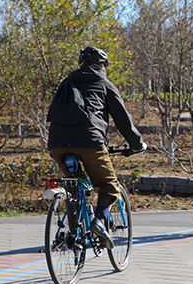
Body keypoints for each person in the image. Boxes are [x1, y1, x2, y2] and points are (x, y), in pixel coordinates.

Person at [47, 46, 146, 246]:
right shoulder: (104, 84)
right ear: (102, 65)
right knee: (110, 185)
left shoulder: (66, 83)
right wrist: (137, 144)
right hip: (90, 142)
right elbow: (123, 122)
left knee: (73, 186)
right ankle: (99, 222)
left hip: (57, 144)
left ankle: (76, 237)